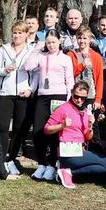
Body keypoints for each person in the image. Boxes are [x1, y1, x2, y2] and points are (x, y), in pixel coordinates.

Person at [29, 30, 76, 181]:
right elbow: (28, 66)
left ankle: (51, 164)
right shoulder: (41, 57)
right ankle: (41, 163)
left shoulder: (65, 58)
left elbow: (70, 81)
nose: (51, 45)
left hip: (59, 96)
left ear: (59, 42)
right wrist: (37, 48)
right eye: (48, 42)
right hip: (43, 96)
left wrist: (69, 101)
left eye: (53, 42)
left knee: (55, 131)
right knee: (38, 129)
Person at [44, 81, 106, 188]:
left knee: (104, 166)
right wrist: (62, 126)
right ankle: (67, 170)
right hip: (67, 151)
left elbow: (88, 137)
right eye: (76, 96)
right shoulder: (63, 108)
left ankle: (68, 172)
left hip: (80, 150)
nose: (79, 100)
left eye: (83, 98)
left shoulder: (84, 112)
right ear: (72, 92)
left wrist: (90, 126)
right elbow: (46, 129)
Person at [0, 21, 34, 175]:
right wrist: (4, 70)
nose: (17, 35)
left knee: (18, 128)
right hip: (5, 93)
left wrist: (30, 89)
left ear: (26, 34)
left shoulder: (31, 50)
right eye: (15, 32)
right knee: (3, 128)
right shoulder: (4, 49)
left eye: (20, 33)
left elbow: (35, 73)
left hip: (23, 94)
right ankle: (0, 161)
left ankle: (11, 159)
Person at [68, 27, 105, 109]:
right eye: (79, 38)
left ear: (90, 40)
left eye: (85, 38)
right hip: (75, 94)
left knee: (90, 120)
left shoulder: (96, 56)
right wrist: (82, 65)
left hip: (90, 95)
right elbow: (69, 75)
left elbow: (99, 79)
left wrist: (98, 99)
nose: (82, 41)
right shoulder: (71, 54)